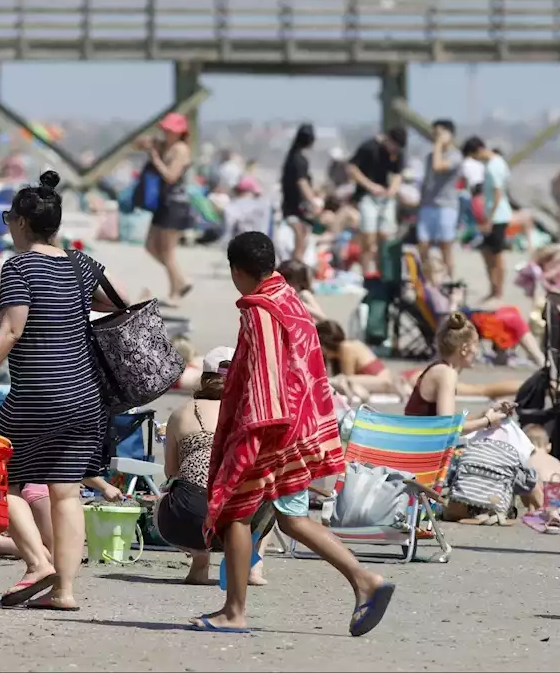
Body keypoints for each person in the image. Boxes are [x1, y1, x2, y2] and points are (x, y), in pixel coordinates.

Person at [196, 231, 393, 636]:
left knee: (233, 511)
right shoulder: (289, 298)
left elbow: (266, 379)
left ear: (237, 270)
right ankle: (365, 580)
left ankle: (234, 611)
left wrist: (249, 438)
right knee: (293, 520)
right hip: (304, 425)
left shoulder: (260, 310)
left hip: (272, 430)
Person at [0, 171, 120, 612]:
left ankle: (36, 562)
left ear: (23, 224)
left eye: (10, 218)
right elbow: (116, 304)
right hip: (85, 397)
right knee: (65, 493)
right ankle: (64, 592)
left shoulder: (20, 265)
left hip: (38, 394)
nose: (9, 225)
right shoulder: (82, 265)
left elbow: (12, 329)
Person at [155, 347, 269, 587]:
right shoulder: (251, 413)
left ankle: (199, 560)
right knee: (266, 495)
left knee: (170, 494)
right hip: (236, 522)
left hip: (186, 521)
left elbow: (171, 472)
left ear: (205, 378)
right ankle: (251, 564)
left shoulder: (181, 413)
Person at [404, 312, 515, 432]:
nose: (477, 352)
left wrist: (485, 415)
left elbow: (450, 422)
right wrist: (487, 421)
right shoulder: (446, 374)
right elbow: (448, 427)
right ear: (464, 349)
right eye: (476, 345)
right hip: (419, 447)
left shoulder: (440, 369)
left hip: (416, 441)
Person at [137, 112, 194, 305]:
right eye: (165, 130)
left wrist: (155, 160)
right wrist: (145, 143)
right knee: (151, 246)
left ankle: (177, 290)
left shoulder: (181, 149)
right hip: (163, 203)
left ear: (180, 133)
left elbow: (171, 176)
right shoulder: (163, 145)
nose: (167, 133)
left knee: (167, 252)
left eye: (171, 131)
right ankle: (180, 282)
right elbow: (136, 145)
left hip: (176, 204)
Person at [346, 127, 405, 277]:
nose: (394, 150)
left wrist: (393, 189)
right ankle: (366, 274)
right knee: (369, 238)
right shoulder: (369, 147)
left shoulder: (397, 152)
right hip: (367, 196)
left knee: (385, 237)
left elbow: (398, 174)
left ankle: (383, 273)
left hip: (386, 198)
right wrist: (370, 186)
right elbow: (351, 168)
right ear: (388, 139)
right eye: (394, 146)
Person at [463, 137, 513, 301]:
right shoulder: (495, 162)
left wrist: (489, 219)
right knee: (487, 252)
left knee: (496, 255)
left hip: (497, 216)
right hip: (493, 214)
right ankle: (493, 288)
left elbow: (498, 194)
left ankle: (498, 290)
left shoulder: (493, 166)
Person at [417, 120, 463, 275]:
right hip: (428, 205)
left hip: (446, 205)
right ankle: (426, 277)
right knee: (423, 244)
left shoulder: (455, 156)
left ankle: (450, 278)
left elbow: (438, 167)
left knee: (446, 246)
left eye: (439, 134)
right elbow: (427, 178)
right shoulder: (430, 156)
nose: (435, 138)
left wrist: (438, 145)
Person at [281, 123, 319, 264]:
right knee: (300, 235)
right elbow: (302, 183)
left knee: (301, 235)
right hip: (295, 207)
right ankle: (298, 266)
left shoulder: (292, 157)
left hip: (290, 205)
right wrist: (314, 202)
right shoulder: (299, 159)